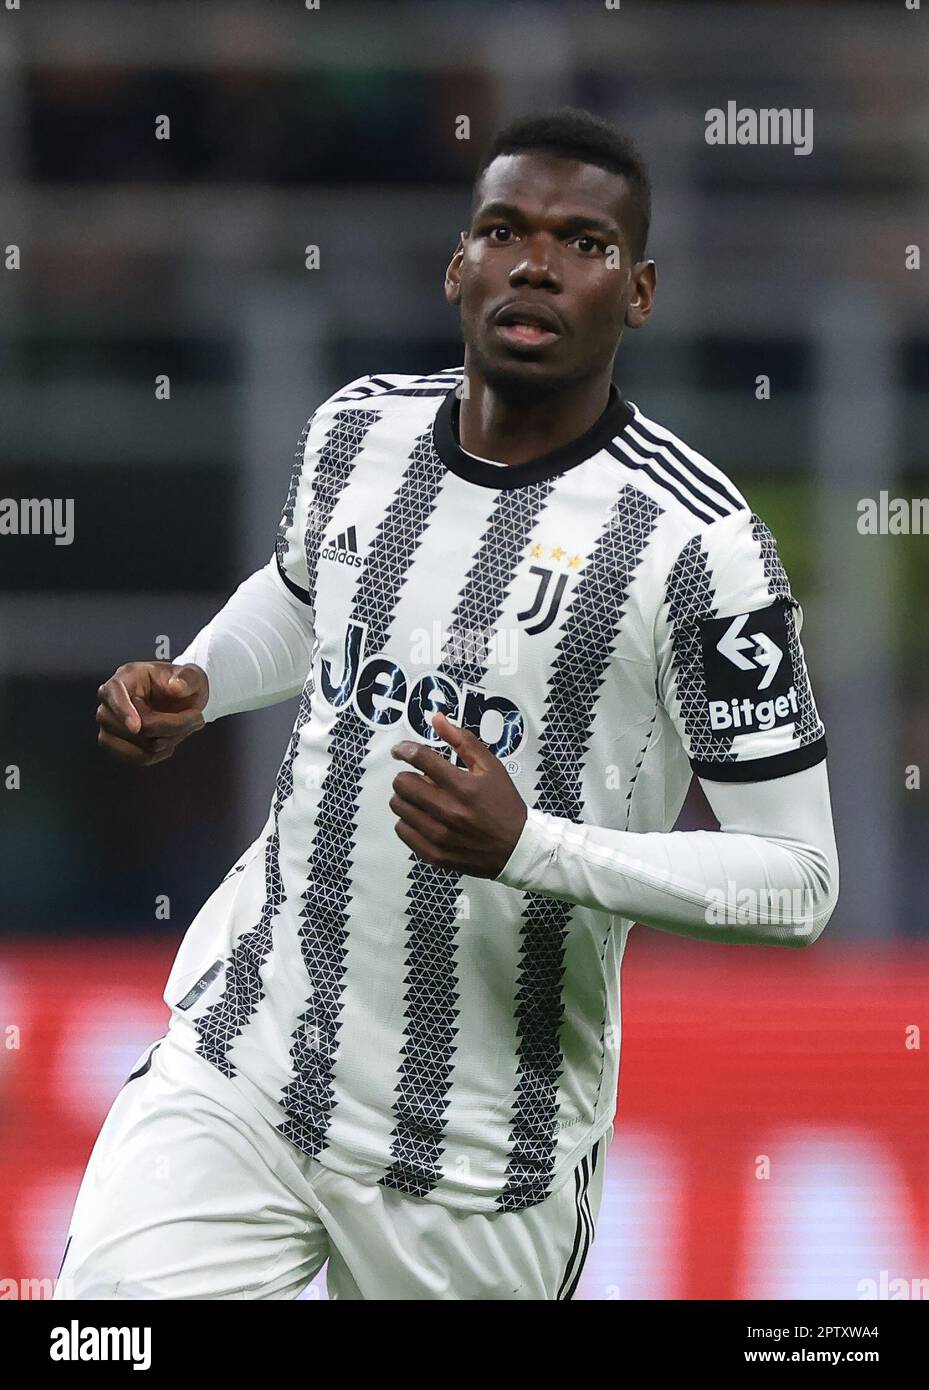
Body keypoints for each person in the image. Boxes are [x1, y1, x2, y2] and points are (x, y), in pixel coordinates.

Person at [59, 107, 838, 1301]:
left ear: (635, 293)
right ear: (456, 265)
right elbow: (305, 589)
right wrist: (203, 680)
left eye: (580, 242)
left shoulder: (698, 545)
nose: (533, 260)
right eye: (502, 229)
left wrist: (530, 847)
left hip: (481, 1157)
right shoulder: (358, 431)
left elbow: (797, 879)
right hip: (245, 1068)